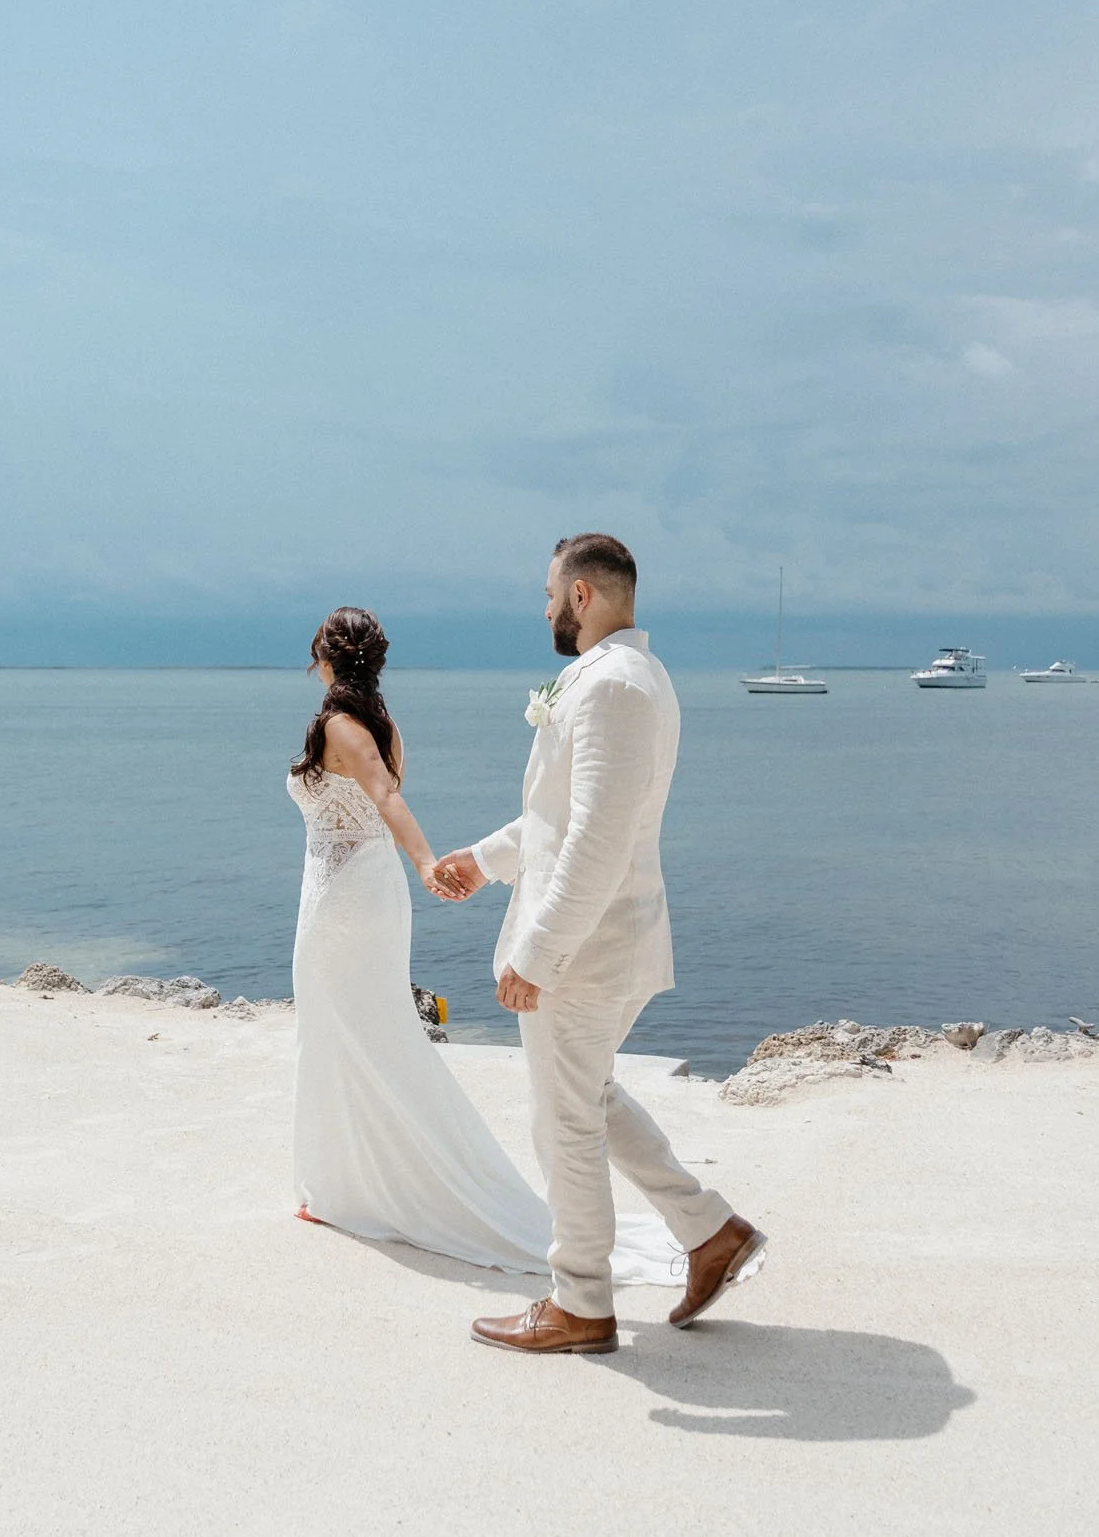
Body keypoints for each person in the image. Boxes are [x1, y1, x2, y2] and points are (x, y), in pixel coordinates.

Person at [432, 534, 765, 1354]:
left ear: (582, 595)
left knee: (563, 1122)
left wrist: (536, 955)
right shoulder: (625, 677)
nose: (542, 607)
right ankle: (709, 1231)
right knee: (590, 1098)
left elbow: (598, 840)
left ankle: (580, 1301)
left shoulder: (614, 685)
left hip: (586, 951)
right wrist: (483, 859)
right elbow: (556, 823)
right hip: (603, 938)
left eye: (549, 592)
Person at [286, 606, 683, 1285]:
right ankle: (349, 1184)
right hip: (374, 895)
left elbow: (384, 798)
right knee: (373, 1032)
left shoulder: (338, 727)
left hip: (343, 899)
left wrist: (425, 861)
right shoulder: (385, 726)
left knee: (338, 1031)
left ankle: (345, 1189)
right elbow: (385, 793)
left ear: (327, 660)